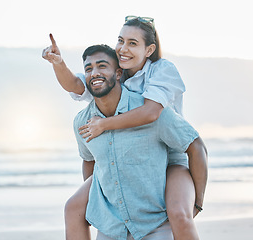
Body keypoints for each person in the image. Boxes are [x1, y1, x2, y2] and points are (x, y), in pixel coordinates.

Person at [42, 16, 207, 240]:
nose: (123, 48)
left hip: (169, 155)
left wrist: (104, 124)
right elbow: (77, 84)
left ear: (149, 49)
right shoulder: (114, 74)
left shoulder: (161, 70)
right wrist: (58, 63)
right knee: (73, 207)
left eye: (132, 43)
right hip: (130, 159)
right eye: (121, 41)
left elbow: (151, 113)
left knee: (179, 214)